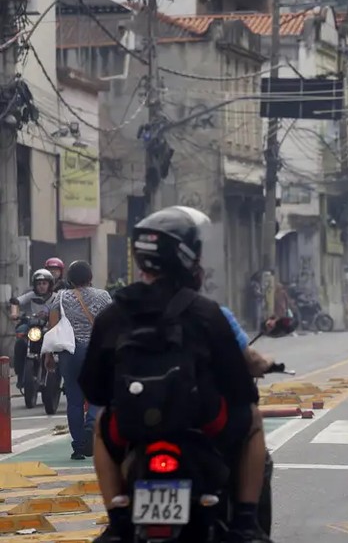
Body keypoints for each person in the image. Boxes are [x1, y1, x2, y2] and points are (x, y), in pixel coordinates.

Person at [80, 206, 273, 543]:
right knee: (253, 419)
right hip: (203, 422)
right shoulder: (206, 312)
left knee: (99, 425)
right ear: (186, 257)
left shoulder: (115, 313)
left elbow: (94, 390)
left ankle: (116, 521)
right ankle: (245, 522)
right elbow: (242, 390)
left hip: (132, 428)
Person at [44, 261, 112, 460]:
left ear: (70, 279)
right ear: (90, 277)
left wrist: (49, 355)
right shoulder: (104, 296)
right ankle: (91, 424)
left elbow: (53, 327)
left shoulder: (61, 297)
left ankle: (78, 445)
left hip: (69, 353)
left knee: (73, 400)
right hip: (95, 352)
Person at [9, 268, 56, 390]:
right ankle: (20, 374)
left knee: (61, 347)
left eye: (44, 283)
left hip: (49, 327)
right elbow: (16, 302)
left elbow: (63, 308)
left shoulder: (56, 297)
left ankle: (60, 377)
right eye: (39, 284)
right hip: (31, 326)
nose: (41, 286)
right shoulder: (31, 295)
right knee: (20, 342)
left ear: (50, 284)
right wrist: (15, 313)